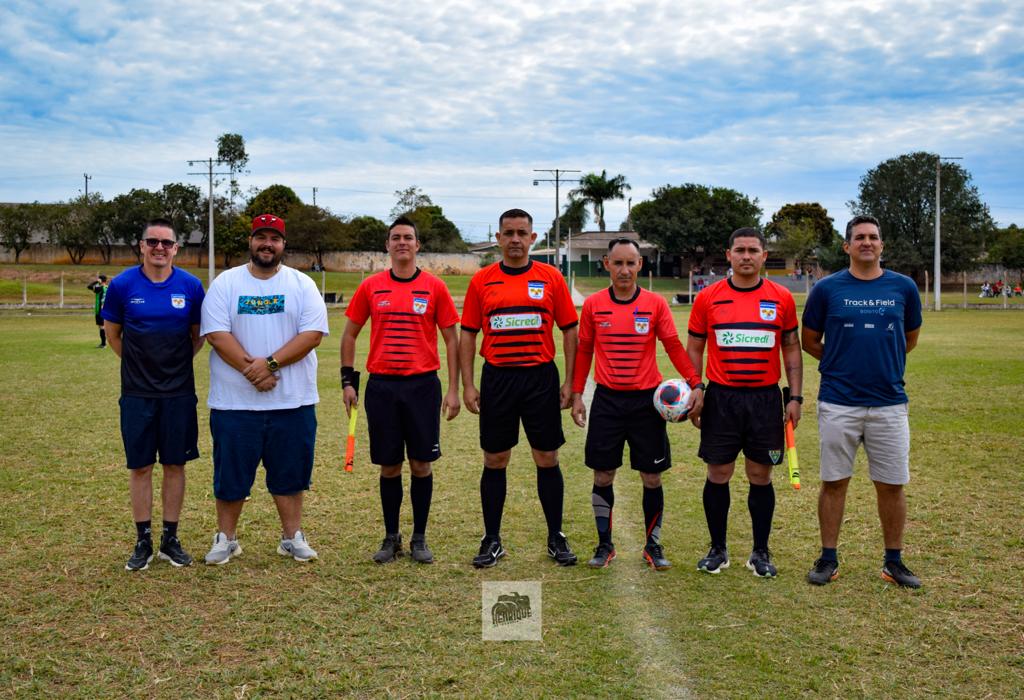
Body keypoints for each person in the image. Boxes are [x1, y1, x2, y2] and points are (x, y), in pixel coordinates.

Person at [200, 213, 329, 565]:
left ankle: (292, 537)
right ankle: (226, 538)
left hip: (293, 402)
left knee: (290, 476)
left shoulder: (301, 284)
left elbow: (312, 335)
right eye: (261, 237)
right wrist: (253, 370)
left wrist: (268, 364)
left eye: (274, 238)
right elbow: (216, 333)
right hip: (234, 404)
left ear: (283, 244)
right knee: (230, 476)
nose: (267, 244)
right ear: (251, 242)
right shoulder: (226, 284)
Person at [802, 214, 923, 588]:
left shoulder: (903, 287)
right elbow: (810, 340)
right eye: (859, 238)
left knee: (891, 484)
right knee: (834, 481)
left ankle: (894, 561)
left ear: (881, 245)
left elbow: (910, 338)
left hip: (889, 403)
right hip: (839, 402)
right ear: (847, 246)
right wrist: (842, 363)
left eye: (873, 237)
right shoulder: (827, 289)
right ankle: (828, 559)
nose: (866, 243)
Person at [571, 239, 704, 570]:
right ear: (606, 265)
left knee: (652, 477)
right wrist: (576, 394)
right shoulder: (593, 305)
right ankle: (605, 545)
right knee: (603, 474)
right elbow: (584, 350)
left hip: (648, 403)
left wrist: (695, 382)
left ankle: (652, 545)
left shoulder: (655, 304)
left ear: (640, 265)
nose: (625, 270)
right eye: (618, 263)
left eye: (631, 263)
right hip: (607, 401)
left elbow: (673, 345)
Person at [460, 208, 579, 568]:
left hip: (540, 379)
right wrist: (468, 384)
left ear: (533, 237)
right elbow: (468, 334)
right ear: (498, 239)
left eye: (521, 232)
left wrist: (570, 382)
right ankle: (492, 538)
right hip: (498, 378)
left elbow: (569, 330)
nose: (514, 239)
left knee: (547, 457)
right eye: (508, 233)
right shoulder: (482, 281)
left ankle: (556, 536)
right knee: (495, 458)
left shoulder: (550, 277)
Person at [341, 216, 461, 564]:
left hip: (423, 387)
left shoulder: (435, 287)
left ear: (418, 245)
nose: (402, 243)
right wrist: (348, 382)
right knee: (389, 466)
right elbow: (349, 334)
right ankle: (391, 537)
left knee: (421, 464)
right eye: (396, 238)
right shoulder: (371, 286)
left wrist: (453, 390)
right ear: (387, 245)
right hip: (382, 387)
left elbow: (451, 340)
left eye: (409, 237)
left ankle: (419, 538)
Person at [686, 227, 802, 578]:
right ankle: (718, 549)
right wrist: (697, 388)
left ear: (764, 255)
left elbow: (792, 349)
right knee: (718, 472)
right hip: (721, 397)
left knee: (759, 475)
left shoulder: (781, 297)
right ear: (729, 255)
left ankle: (760, 552)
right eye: (740, 250)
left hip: (765, 399)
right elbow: (694, 346)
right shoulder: (708, 298)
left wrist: (795, 396)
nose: (747, 256)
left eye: (753, 250)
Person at [101, 218, 205, 571]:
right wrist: (141, 367)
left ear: (176, 248)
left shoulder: (191, 286)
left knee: (175, 464)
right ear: (141, 246)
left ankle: (169, 539)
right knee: (141, 466)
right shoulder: (122, 285)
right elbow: (113, 335)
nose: (159, 248)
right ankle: (142, 539)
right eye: (152, 242)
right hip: (137, 393)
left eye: (166, 243)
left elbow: (198, 336)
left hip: (178, 393)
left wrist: (172, 367)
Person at [88, 274, 109, 347]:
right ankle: (104, 343)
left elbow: (89, 287)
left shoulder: (99, 288)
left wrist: (96, 281)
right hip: (106, 310)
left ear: (100, 280)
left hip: (100, 310)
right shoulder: (107, 287)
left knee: (101, 327)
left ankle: (103, 344)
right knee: (103, 326)